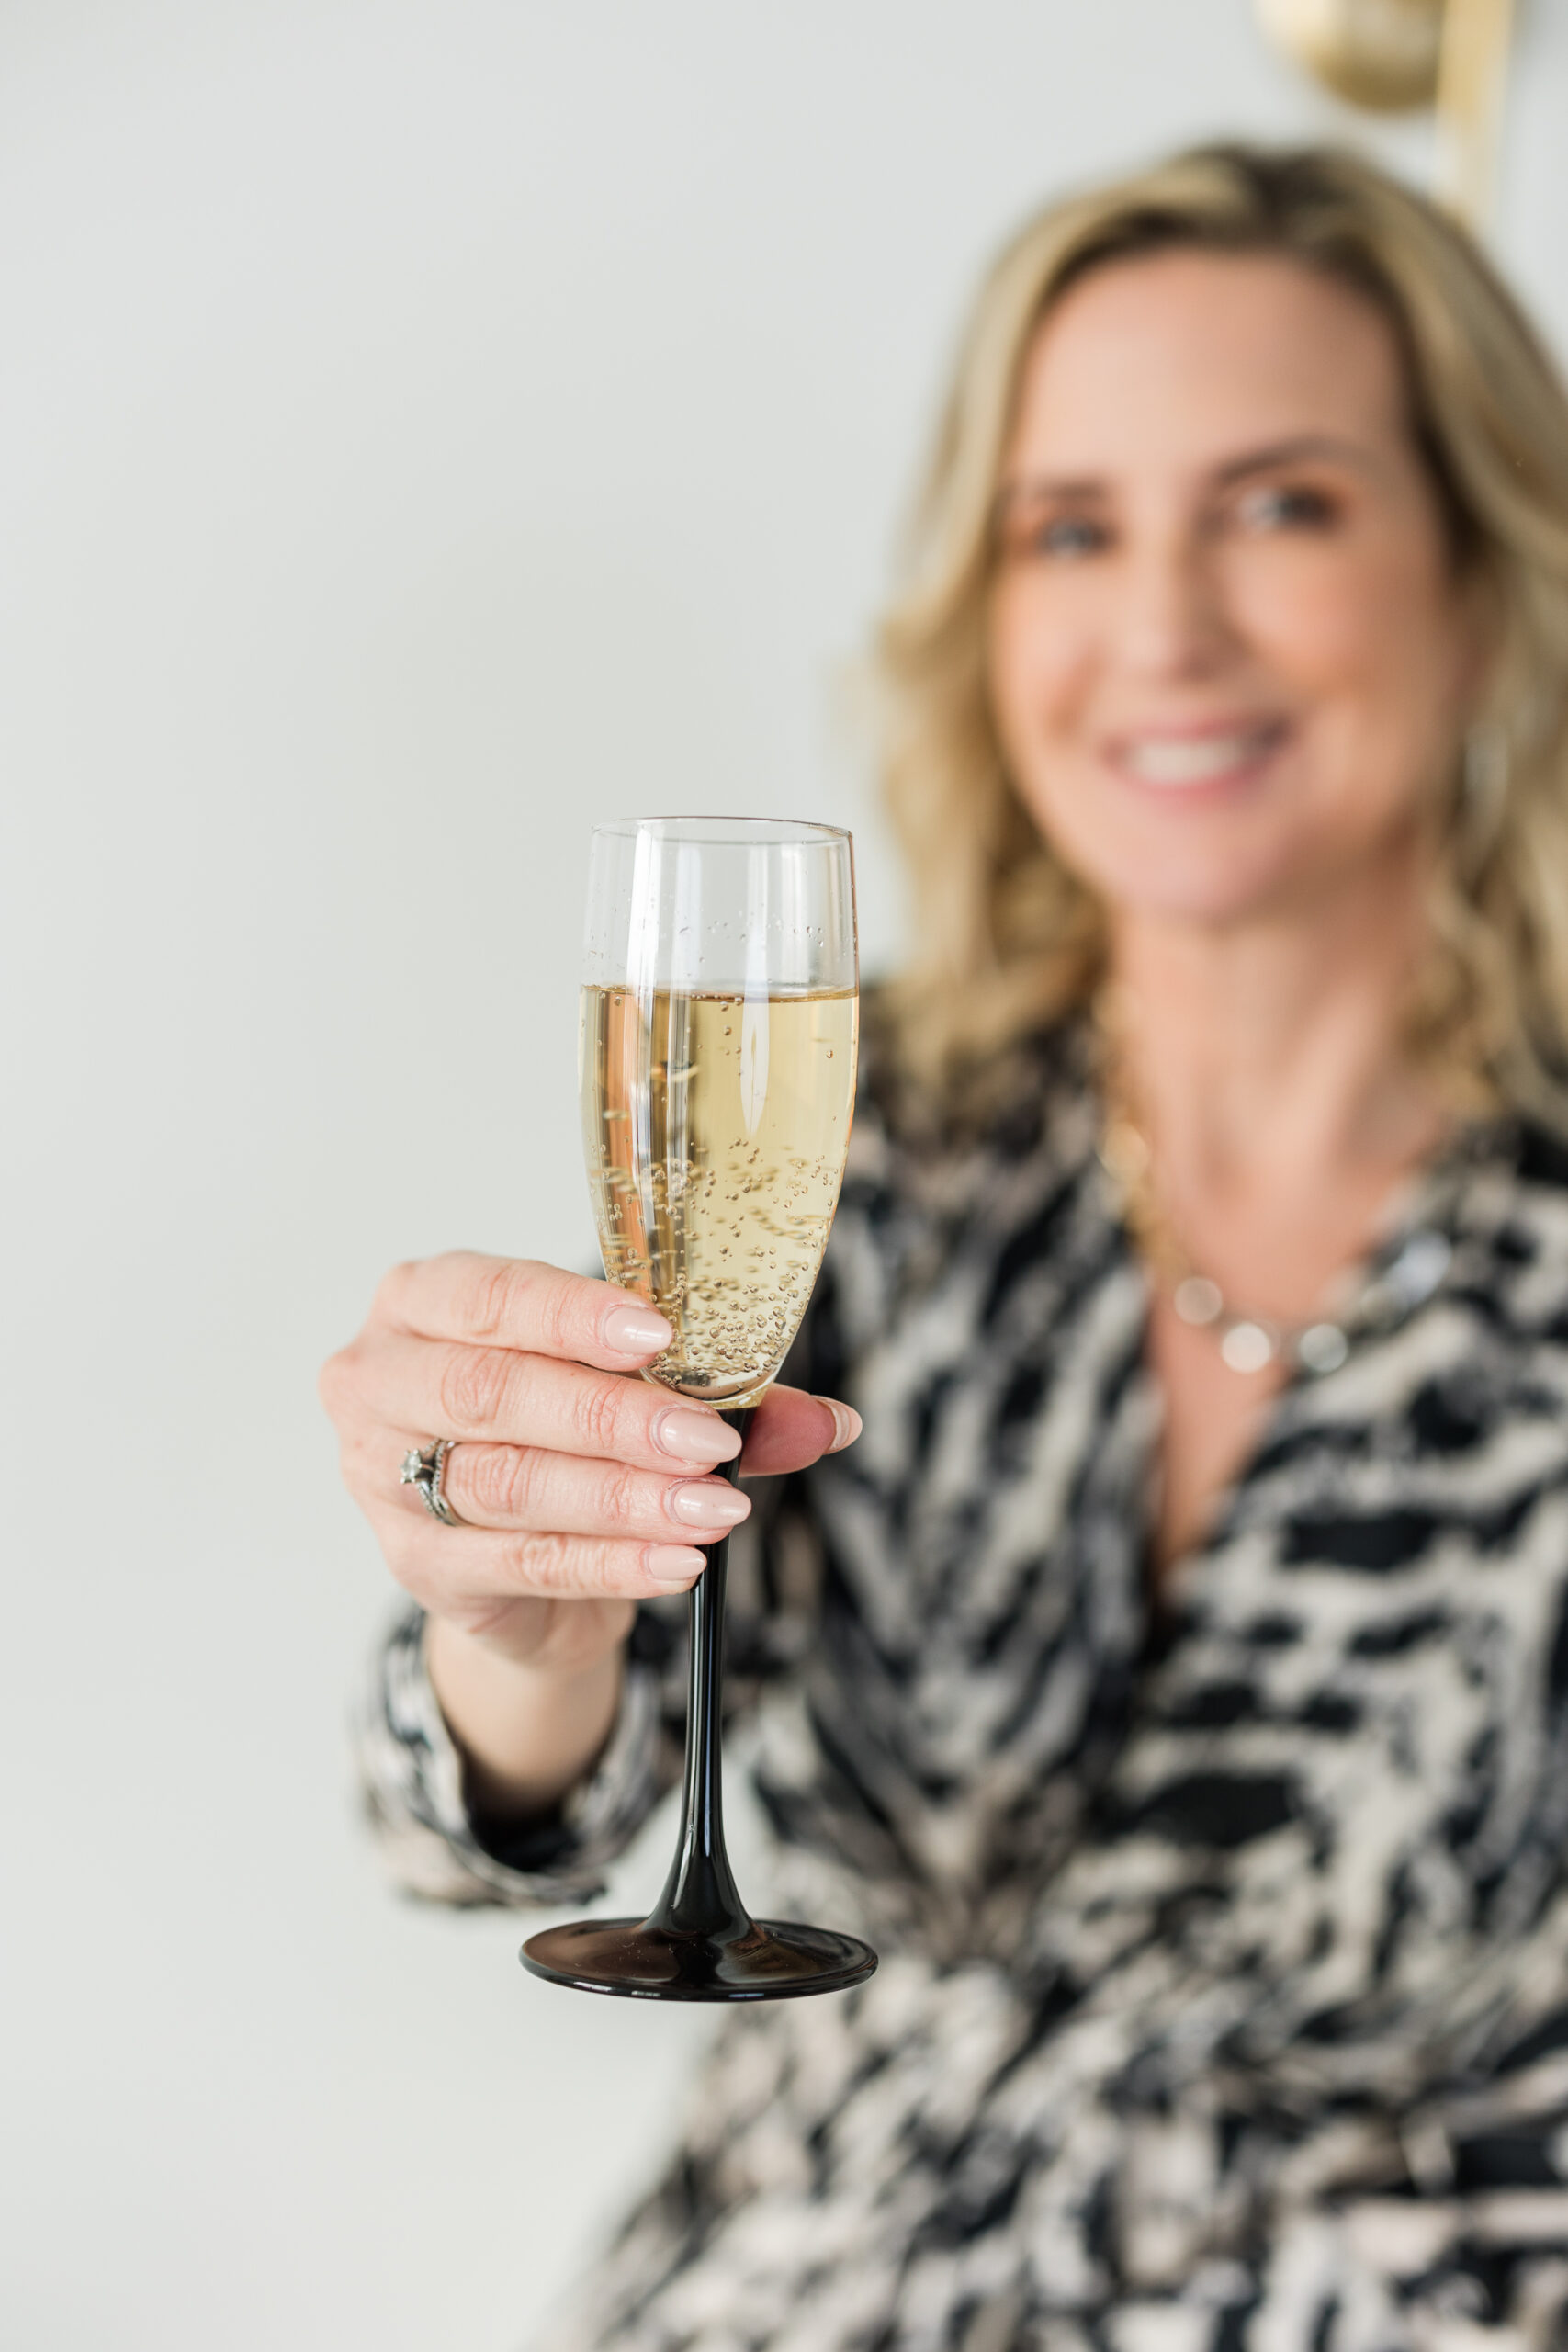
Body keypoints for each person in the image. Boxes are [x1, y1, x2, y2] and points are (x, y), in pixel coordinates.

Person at [319, 143, 1568, 2349]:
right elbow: (483, 1827)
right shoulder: (861, 1138)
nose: (1159, 626)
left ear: (1480, 575)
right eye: (1067, 527)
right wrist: (515, 1611)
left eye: (1277, 506)